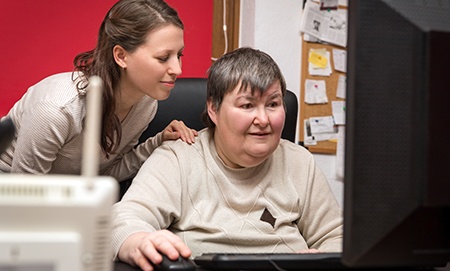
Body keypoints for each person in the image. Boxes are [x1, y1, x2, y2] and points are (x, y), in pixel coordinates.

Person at [111, 47, 343, 271]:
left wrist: (324, 258)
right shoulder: (178, 158)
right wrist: (139, 241)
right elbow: (125, 220)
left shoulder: (299, 161)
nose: (263, 119)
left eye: (273, 104)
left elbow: (336, 237)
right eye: (247, 105)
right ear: (214, 109)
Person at [0, 0, 197, 180]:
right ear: (121, 56)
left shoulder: (146, 103)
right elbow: (24, 196)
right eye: (163, 58)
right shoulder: (56, 109)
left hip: (64, 198)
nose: (177, 69)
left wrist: (160, 142)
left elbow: (103, 175)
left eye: (179, 55)